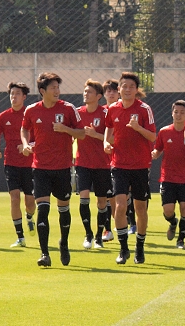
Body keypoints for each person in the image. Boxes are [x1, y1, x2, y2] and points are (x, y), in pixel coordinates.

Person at [21, 72, 84, 267]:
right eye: (53, 88)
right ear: (42, 91)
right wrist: (25, 143)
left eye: (58, 87)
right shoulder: (32, 110)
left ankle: (63, 243)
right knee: (43, 211)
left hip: (63, 167)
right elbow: (24, 129)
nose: (57, 91)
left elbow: (81, 133)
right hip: (40, 168)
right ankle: (44, 253)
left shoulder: (68, 109)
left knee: (63, 209)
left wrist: (66, 129)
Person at [104, 72, 156, 265]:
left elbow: (152, 137)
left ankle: (139, 248)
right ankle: (123, 248)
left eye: (131, 86)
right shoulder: (113, 109)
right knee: (120, 205)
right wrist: (105, 143)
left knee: (140, 208)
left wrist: (137, 128)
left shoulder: (144, 109)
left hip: (141, 165)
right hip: (118, 164)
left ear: (136, 90)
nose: (127, 90)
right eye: (123, 86)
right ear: (119, 89)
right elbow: (108, 129)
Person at [0, 82, 35, 248]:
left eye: (17, 93)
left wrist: (28, 146)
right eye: (11, 94)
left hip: (30, 164)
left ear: (24, 97)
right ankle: (20, 236)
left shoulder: (30, 114)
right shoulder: (3, 117)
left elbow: (39, 136)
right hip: (10, 163)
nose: (13, 97)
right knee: (14, 197)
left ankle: (30, 217)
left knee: (30, 202)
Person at [152, 100, 185, 249]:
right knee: (168, 210)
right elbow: (158, 149)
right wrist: (155, 153)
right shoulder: (164, 132)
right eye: (176, 112)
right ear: (172, 113)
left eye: (182, 112)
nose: (178, 115)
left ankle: (181, 240)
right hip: (168, 178)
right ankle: (173, 222)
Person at [75, 79, 111, 250]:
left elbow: (112, 137)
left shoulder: (106, 113)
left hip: (102, 164)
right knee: (83, 199)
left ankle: (99, 236)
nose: (85, 94)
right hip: (82, 163)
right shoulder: (77, 113)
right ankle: (88, 234)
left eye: (89, 92)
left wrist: (95, 135)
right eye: (85, 91)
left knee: (102, 202)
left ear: (98, 96)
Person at [101, 79, 119, 243]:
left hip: (119, 161)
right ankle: (108, 230)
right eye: (108, 90)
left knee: (117, 199)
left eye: (114, 90)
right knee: (106, 197)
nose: (111, 93)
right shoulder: (99, 111)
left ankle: (125, 224)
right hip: (100, 161)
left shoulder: (122, 110)